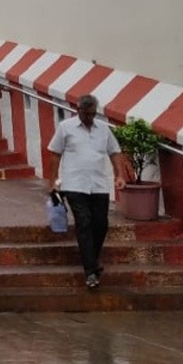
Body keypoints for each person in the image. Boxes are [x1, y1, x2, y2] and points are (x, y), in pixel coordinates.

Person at [47, 94, 128, 289]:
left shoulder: (104, 129)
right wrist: (53, 182)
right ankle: (91, 271)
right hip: (74, 184)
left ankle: (91, 259)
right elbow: (55, 154)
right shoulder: (66, 128)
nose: (91, 118)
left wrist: (119, 175)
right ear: (79, 110)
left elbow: (114, 152)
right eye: (87, 114)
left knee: (101, 225)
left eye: (93, 114)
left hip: (99, 184)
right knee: (84, 222)